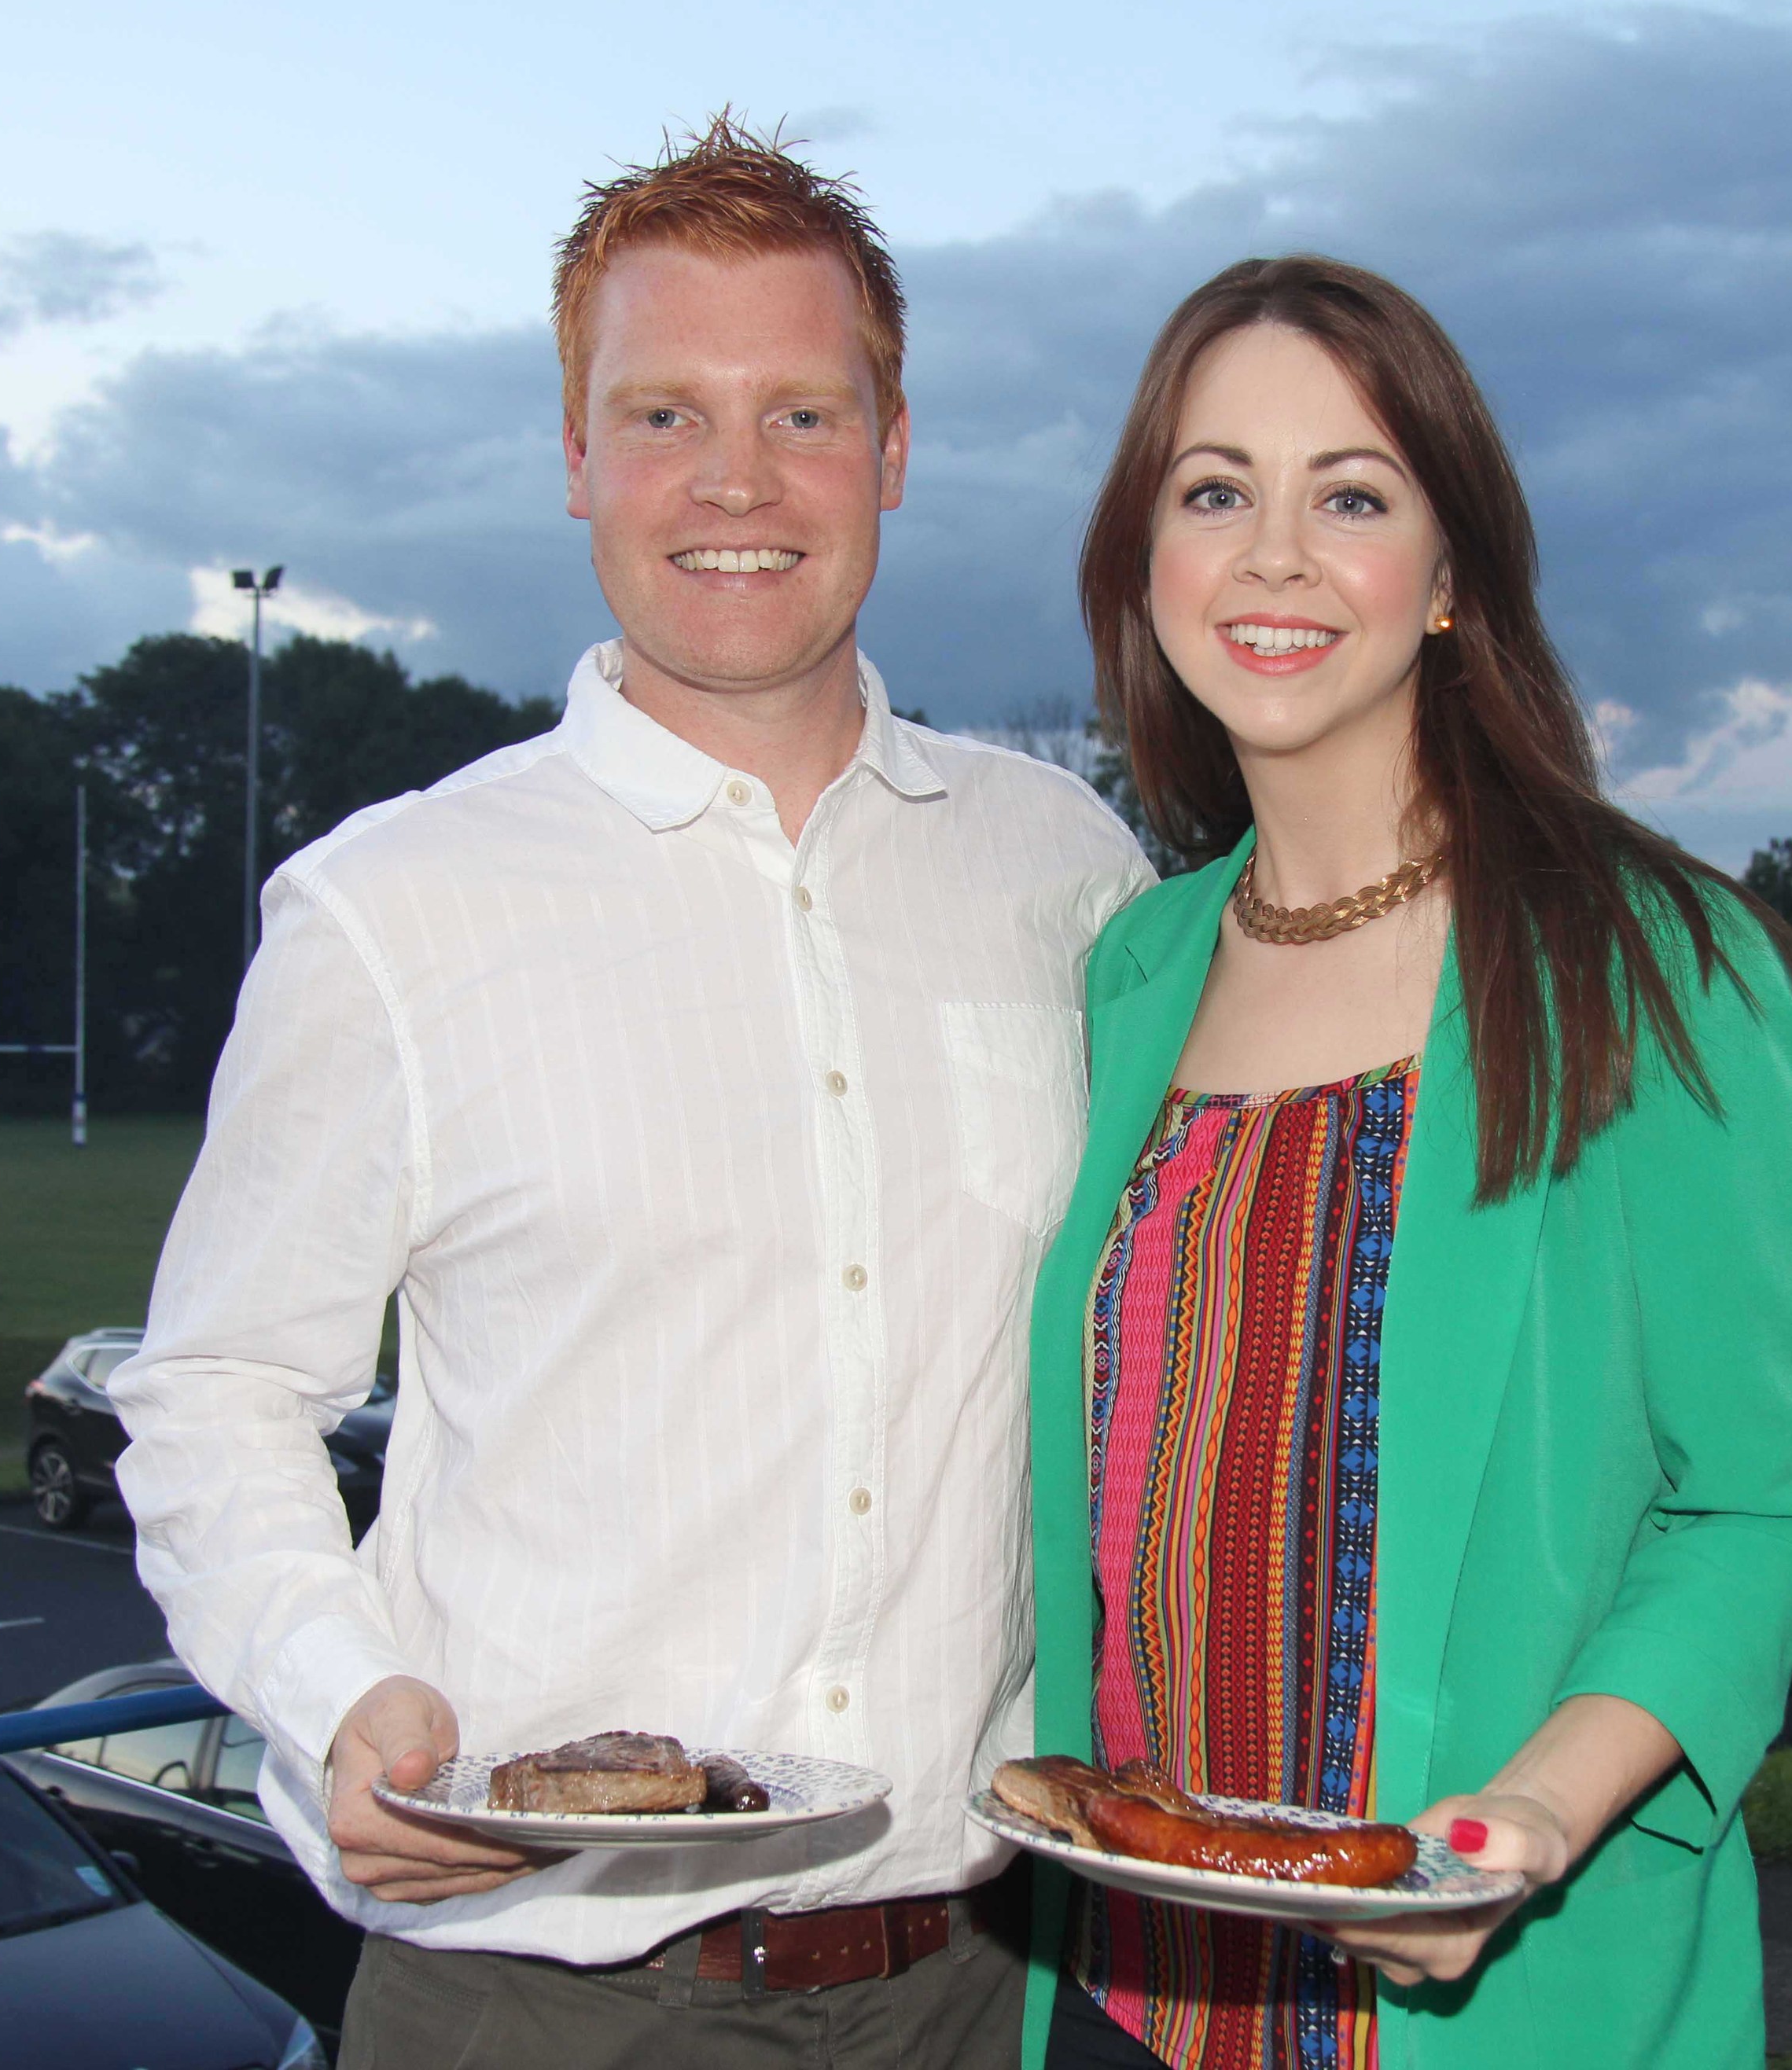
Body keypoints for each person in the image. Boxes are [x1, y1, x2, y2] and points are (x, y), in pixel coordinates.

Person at [109, 117, 1150, 2070]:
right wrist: (338, 1695)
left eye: (803, 415)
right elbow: (218, 1387)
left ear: (894, 449)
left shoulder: (1065, 872)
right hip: (531, 1998)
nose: (735, 480)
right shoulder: (388, 910)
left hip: (968, 1984)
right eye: (662, 413)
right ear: (575, 456)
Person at [1021, 256, 1792, 2070]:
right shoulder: (1130, 973)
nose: (1270, 556)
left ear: (1451, 573)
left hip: (1498, 2006)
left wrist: (1532, 1820)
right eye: (1212, 490)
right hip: (1116, 2002)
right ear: (1138, 559)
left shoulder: (1651, 971)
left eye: (1350, 496)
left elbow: (1763, 1510)